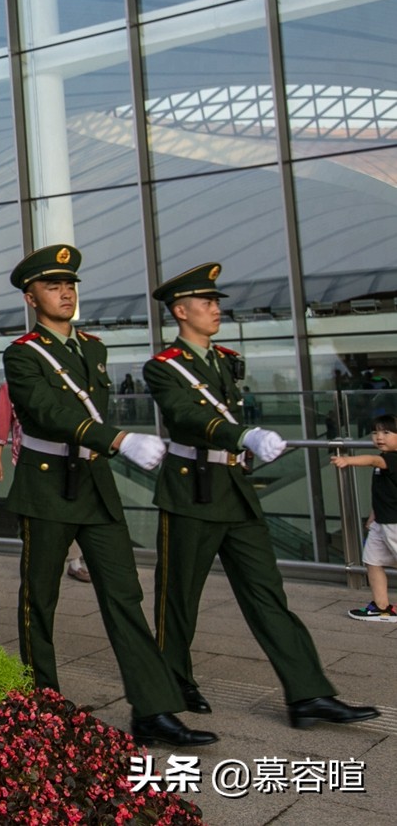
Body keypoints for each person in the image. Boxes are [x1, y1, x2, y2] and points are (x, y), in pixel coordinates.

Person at [142, 262, 378, 729]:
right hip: (191, 491)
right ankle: (171, 686)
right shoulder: (164, 368)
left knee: (268, 596)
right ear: (180, 311)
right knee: (178, 601)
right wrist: (243, 435)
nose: (215, 310)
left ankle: (308, 694)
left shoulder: (223, 360)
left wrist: (242, 442)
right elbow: (186, 417)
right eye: (206, 303)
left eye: (215, 302)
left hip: (234, 489)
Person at [3, 244, 214, 747]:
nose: (65, 292)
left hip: (95, 485)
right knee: (41, 598)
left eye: (70, 284)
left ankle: (153, 709)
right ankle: (42, 701)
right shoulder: (22, 354)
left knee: (125, 596)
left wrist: (111, 443)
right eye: (53, 286)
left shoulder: (92, 348)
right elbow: (47, 415)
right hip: (48, 485)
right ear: (32, 297)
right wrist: (119, 439)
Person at [0, 383, 89, 583]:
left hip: (64, 455)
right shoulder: (9, 387)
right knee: (37, 514)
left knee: (69, 508)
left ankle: (74, 562)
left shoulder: (55, 384)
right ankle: (44, 561)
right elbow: (3, 423)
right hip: (29, 459)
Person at [332, 414, 397, 621]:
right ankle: (382, 607)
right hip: (382, 520)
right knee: (372, 560)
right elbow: (385, 494)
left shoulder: (391, 458)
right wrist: (373, 516)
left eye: (387, 432)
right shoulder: (385, 459)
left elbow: (371, 460)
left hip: (394, 523)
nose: (379, 437)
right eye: (375, 432)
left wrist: (347, 460)